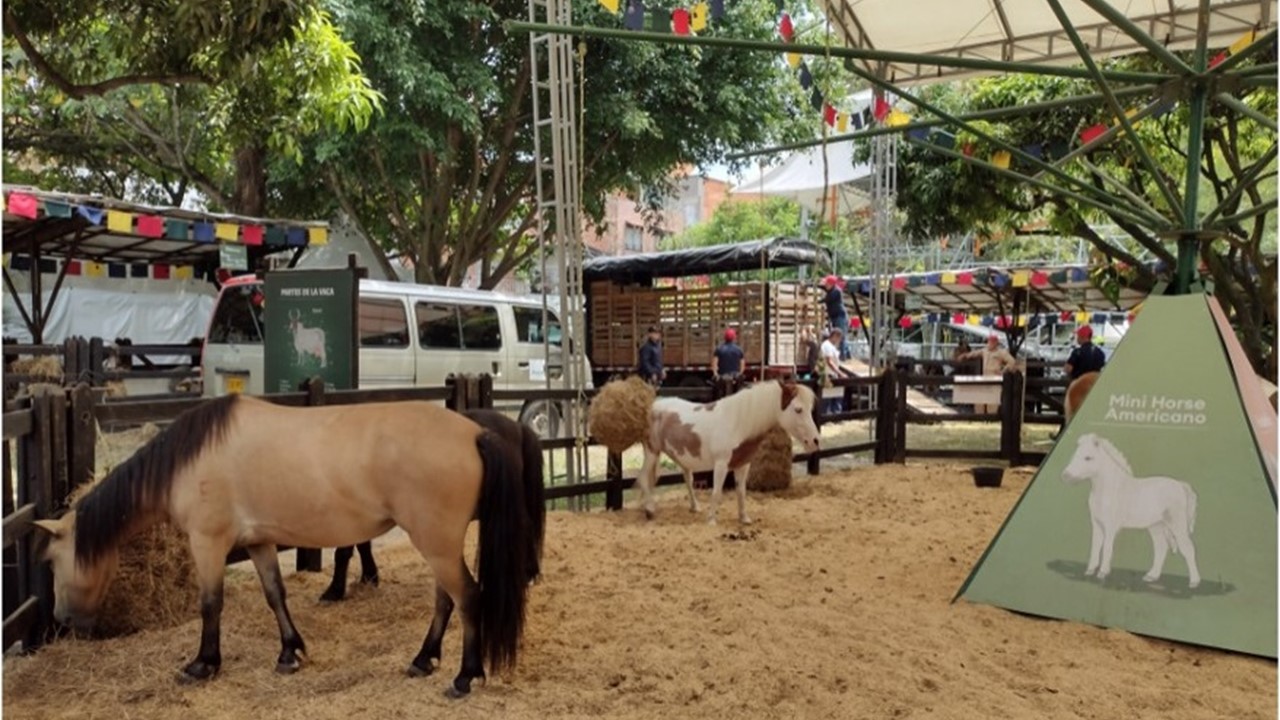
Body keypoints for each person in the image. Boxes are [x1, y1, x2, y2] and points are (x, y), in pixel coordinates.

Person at [959, 334, 1018, 414]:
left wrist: (1003, 370)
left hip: (995, 379)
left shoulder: (1001, 352)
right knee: (980, 401)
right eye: (989, 341)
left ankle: (991, 417)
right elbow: (974, 353)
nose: (990, 343)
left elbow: (1012, 362)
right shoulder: (984, 350)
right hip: (984, 379)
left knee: (993, 402)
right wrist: (965, 355)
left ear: (996, 343)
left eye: (992, 342)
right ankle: (980, 417)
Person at [820, 327, 851, 414]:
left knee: (835, 397)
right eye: (839, 338)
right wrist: (840, 373)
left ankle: (833, 415)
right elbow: (829, 362)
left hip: (832, 374)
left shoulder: (831, 346)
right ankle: (828, 415)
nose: (839, 341)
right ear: (835, 336)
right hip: (829, 375)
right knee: (828, 399)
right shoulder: (827, 346)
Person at [819, 275, 851, 360]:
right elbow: (824, 289)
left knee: (840, 335)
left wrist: (819, 302)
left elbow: (827, 299)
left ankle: (842, 357)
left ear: (831, 284)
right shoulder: (831, 290)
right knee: (838, 335)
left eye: (827, 283)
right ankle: (847, 355)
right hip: (835, 317)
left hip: (840, 316)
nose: (825, 285)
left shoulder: (836, 291)